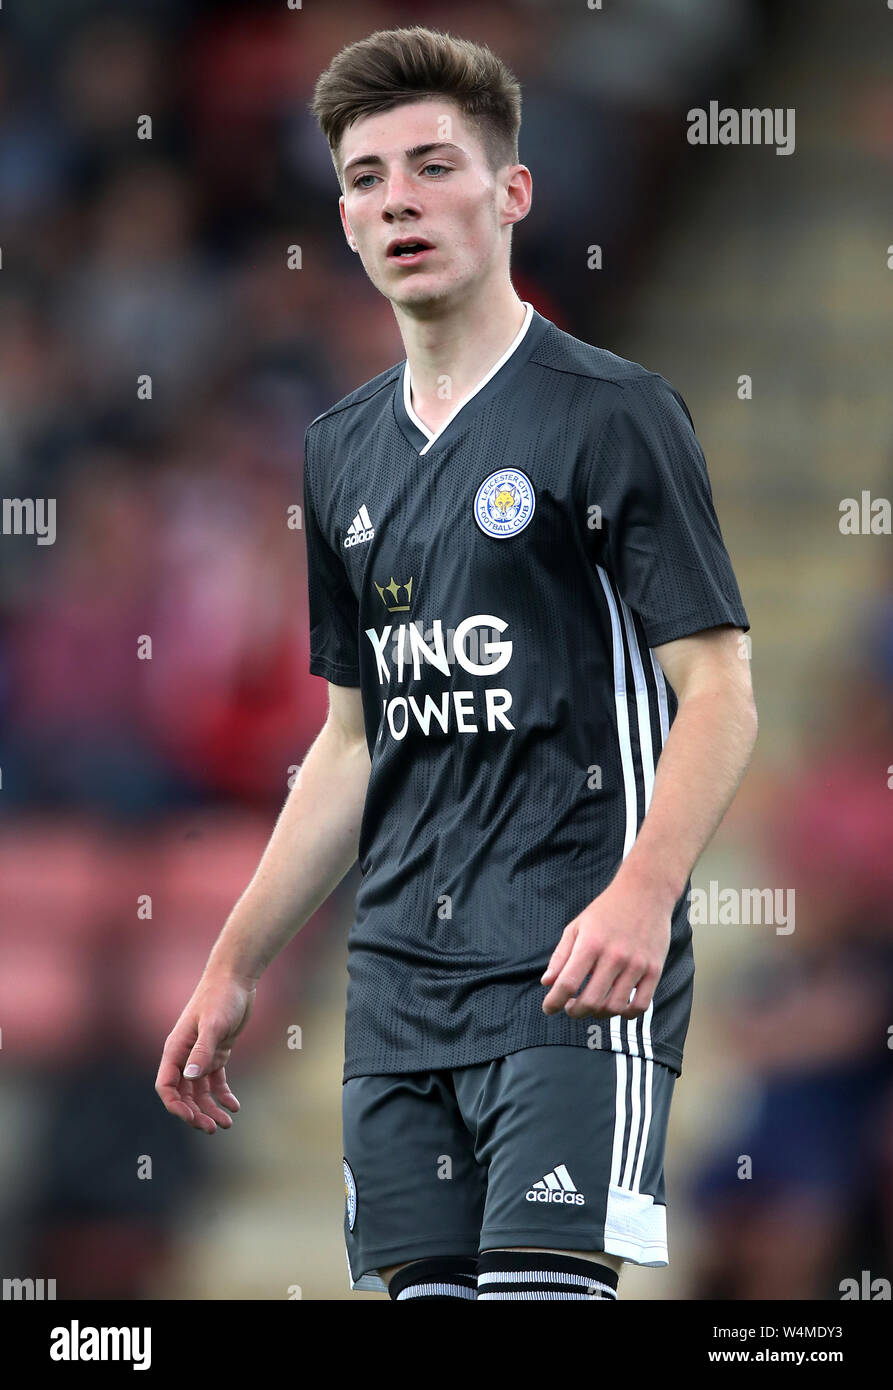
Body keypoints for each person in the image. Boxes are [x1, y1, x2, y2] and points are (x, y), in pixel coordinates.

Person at [155, 25, 758, 1303]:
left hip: (572, 972)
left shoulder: (612, 413)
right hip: (395, 994)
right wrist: (233, 963)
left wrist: (644, 893)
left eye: (434, 166)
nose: (400, 200)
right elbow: (351, 741)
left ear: (511, 192)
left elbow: (717, 690)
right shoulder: (337, 454)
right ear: (345, 217)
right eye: (369, 178)